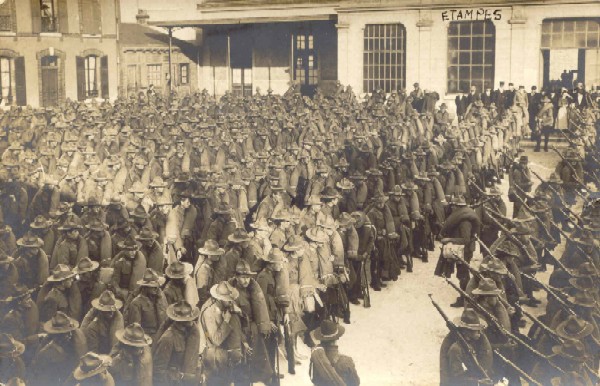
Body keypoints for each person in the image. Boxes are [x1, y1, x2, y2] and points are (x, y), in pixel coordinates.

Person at [199, 281, 247, 386]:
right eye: (228, 301)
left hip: (223, 355)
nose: (231, 303)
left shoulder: (224, 305)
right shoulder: (210, 312)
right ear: (220, 299)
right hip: (214, 357)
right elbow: (216, 340)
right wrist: (226, 321)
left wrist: (240, 313)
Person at [152, 301, 201, 385]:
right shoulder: (168, 338)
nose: (192, 322)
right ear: (181, 321)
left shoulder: (189, 332)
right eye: (188, 320)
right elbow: (158, 371)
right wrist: (177, 376)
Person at [439, 309, 493, 386]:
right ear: (465, 331)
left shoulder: (472, 342)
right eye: (476, 330)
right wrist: (478, 382)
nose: (479, 333)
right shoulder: (455, 349)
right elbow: (456, 377)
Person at [309, 320, 360, 386]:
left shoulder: (316, 358)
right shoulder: (346, 361)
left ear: (321, 338)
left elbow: (314, 380)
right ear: (336, 338)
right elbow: (355, 383)